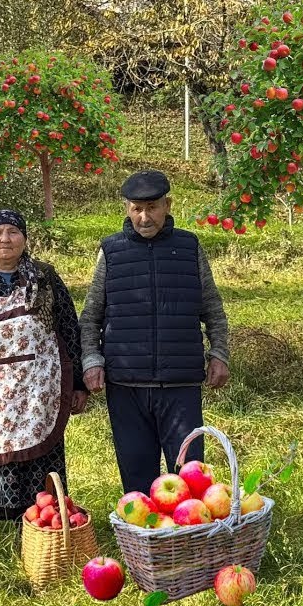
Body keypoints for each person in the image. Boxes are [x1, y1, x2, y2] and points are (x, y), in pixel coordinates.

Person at [79, 169, 230, 495]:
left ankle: (189, 542)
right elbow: (90, 316)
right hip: (126, 385)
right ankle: (141, 542)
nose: (144, 217)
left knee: (190, 477)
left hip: (181, 386)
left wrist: (219, 354)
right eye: (136, 208)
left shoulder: (189, 248)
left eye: (152, 207)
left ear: (168, 205)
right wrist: (92, 360)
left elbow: (213, 309)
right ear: (127, 209)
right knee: (136, 476)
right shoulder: (111, 252)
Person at [0, 210, 89, 530]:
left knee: (38, 447)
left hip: (36, 386)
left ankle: (40, 515)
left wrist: (78, 382)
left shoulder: (44, 277)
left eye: (12, 231)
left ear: (24, 239)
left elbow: (69, 326)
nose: (5, 239)